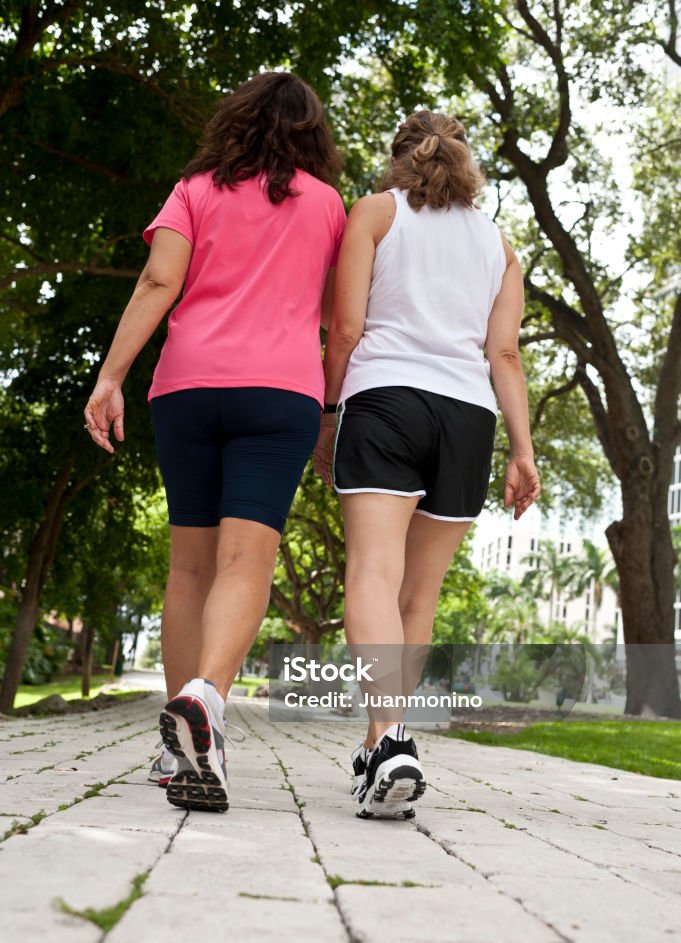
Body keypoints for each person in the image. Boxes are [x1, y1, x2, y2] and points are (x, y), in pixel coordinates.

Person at [85, 72, 346, 812]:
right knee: (245, 559)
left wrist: (111, 378)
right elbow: (337, 316)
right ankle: (206, 705)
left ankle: (178, 744)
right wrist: (331, 408)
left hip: (187, 389)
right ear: (311, 134)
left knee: (189, 567)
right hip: (280, 394)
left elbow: (158, 280)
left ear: (235, 120)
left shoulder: (194, 189)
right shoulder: (329, 207)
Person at [315, 110, 540, 820]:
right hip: (467, 418)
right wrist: (523, 450)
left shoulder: (375, 213)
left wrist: (326, 411)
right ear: (464, 161)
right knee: (419, 594)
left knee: (371, 572)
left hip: (386, 399)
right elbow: (503, 355)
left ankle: (388, 741)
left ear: (396, 157)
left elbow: (345, 326)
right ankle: (387, 742)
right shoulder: (498, 243)